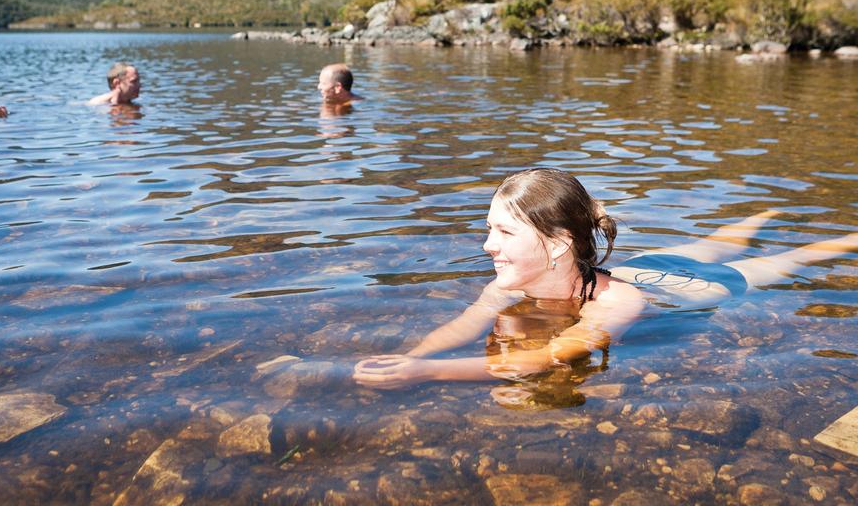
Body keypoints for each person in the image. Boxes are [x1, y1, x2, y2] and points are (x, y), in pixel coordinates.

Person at [353, 167, 858, 389]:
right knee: (713, 242)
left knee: (789, 259)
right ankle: (766, 211)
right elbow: (467, 325)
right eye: (489, 229)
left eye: (503, 232)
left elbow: (550, 355)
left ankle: (842, 236)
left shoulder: (616, 307)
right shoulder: (505, 285)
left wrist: (427, 374)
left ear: (556, 244)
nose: (488, 245)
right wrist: (414, 355)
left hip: (698, 287)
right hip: (645, 265)